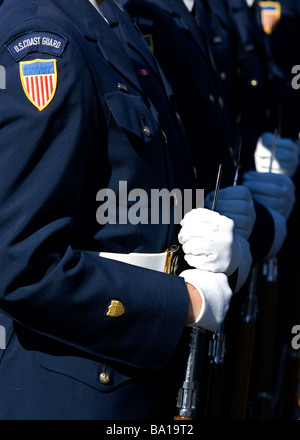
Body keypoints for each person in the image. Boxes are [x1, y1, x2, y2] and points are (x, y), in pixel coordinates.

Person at [0, 0, 247, 420]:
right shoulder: (45, 41)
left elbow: (131, 203)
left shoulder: (110, 19)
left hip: (134, 377)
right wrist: (183, 302)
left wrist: (214, 239)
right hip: (77, 389)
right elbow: (21, 262)